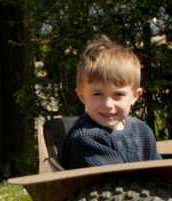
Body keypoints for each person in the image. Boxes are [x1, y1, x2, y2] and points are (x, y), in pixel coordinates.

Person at [61, 36, 161, 169]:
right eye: (97, 94)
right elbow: (114, 184)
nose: (108, 104)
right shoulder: (86, 138)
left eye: (118, 94)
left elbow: (159, 171)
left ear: (135, 96)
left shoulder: (142, 131)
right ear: (82, 96)